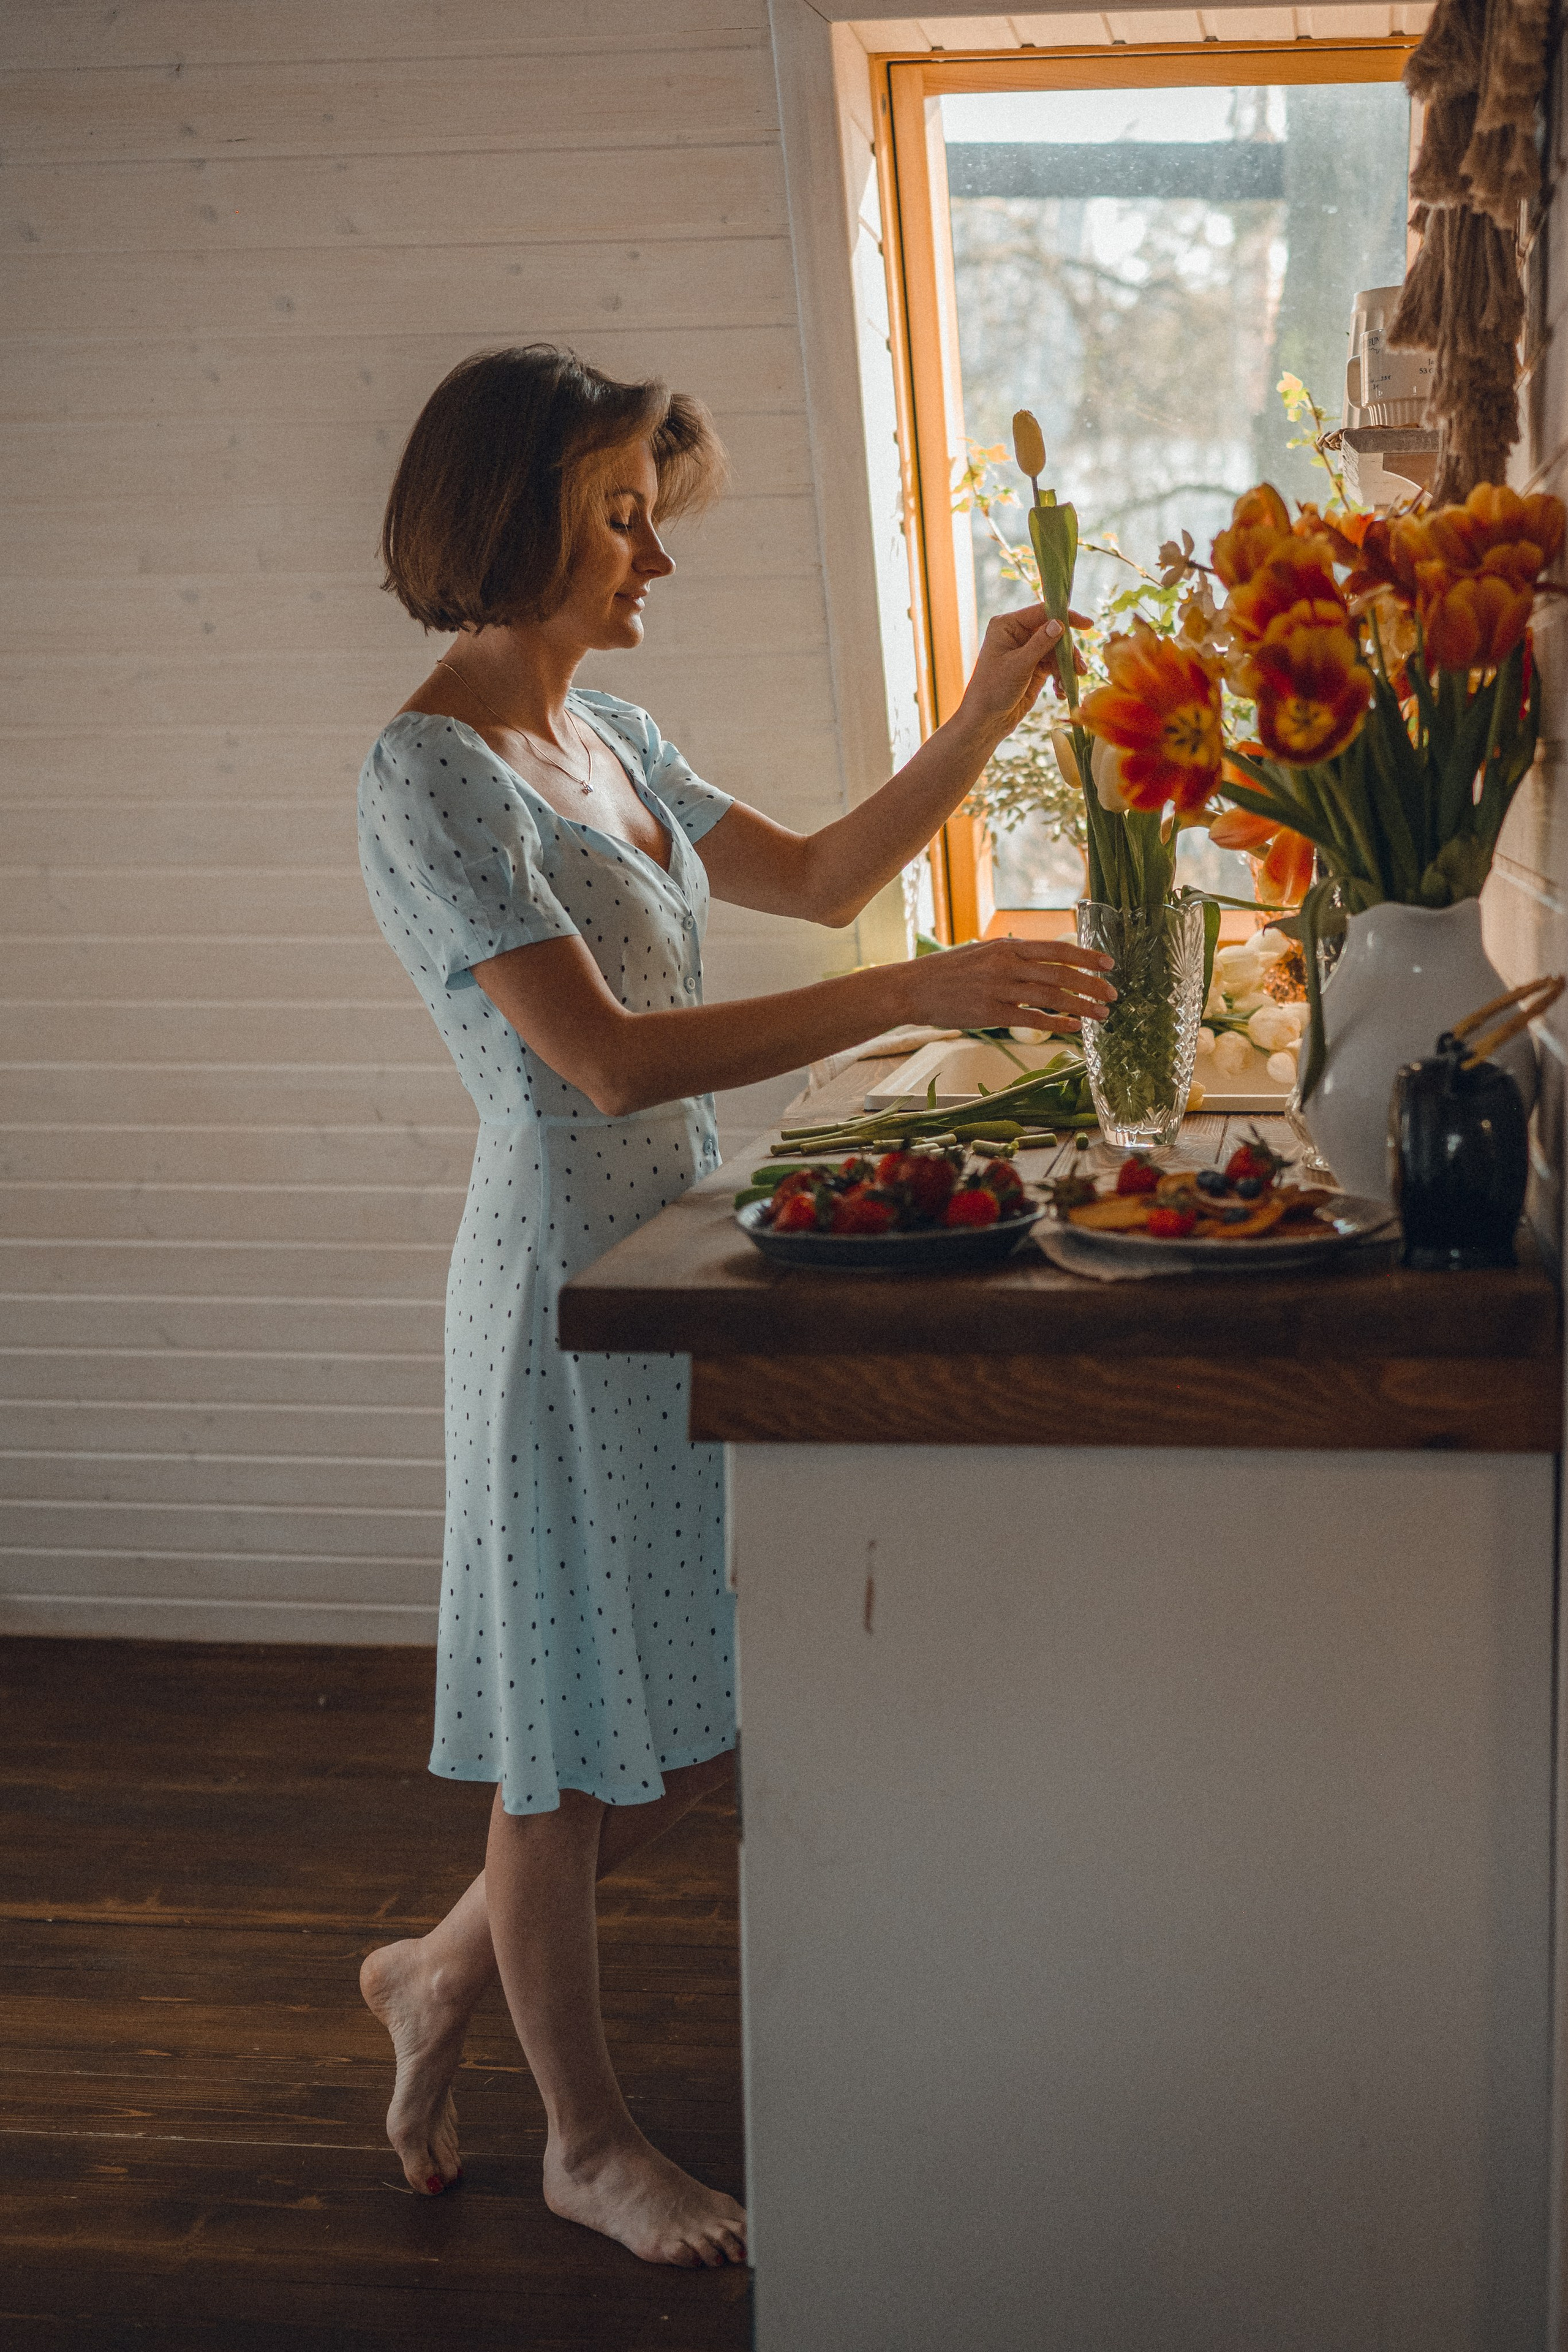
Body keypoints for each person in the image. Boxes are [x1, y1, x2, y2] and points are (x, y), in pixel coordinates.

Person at [354, 345, 1115, 2270]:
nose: (649, 560)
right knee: (571, 1740)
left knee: (680, 1729)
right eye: (620, 516)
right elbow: (599, 1065)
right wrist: (906, 994)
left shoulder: (611, 741)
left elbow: (836, 871)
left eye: (646, 516)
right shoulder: (424, 774)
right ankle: (587, 2142)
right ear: (506, 513)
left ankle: (432, 1978)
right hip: (557, 1289)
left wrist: (981, 711)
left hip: (677, 1265)